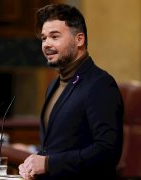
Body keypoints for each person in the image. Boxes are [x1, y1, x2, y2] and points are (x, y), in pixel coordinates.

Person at [18, 3, 123, 180]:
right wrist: (33, 163)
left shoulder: (100, 84)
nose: (46, 44)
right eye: (44, 38)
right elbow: (58, 146)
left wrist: (48, 164)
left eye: (55, 36)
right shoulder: (53, 85)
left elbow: (107, 151)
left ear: (79, 39)